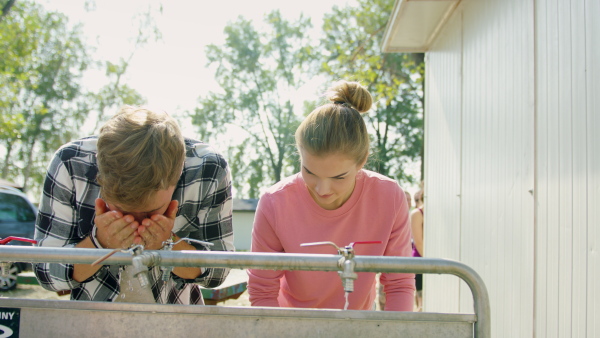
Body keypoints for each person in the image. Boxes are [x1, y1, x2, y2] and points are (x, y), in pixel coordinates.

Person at [34, 106, 234, 304]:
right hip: (89, 324)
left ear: (178, 175)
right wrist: (99, 244)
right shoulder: (70, 163)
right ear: (100, 177)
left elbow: (218, 272)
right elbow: (46, 274)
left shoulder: (208, 168)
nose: (136, 227)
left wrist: (168, 247)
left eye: (151, 212)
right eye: (121, 212)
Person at [247, 80, 415, 311]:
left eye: (339, 177)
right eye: (310, 172)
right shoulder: (274, 203)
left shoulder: (390, 197)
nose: (322, 189)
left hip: (359, 327)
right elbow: (263, 289)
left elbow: (399, 284)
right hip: (290, 327)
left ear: (363, 159)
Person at [410, 187, 424, 311]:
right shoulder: (417, 213)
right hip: (421, 263)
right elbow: (419, 243)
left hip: (432, 262)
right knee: (421, 302)